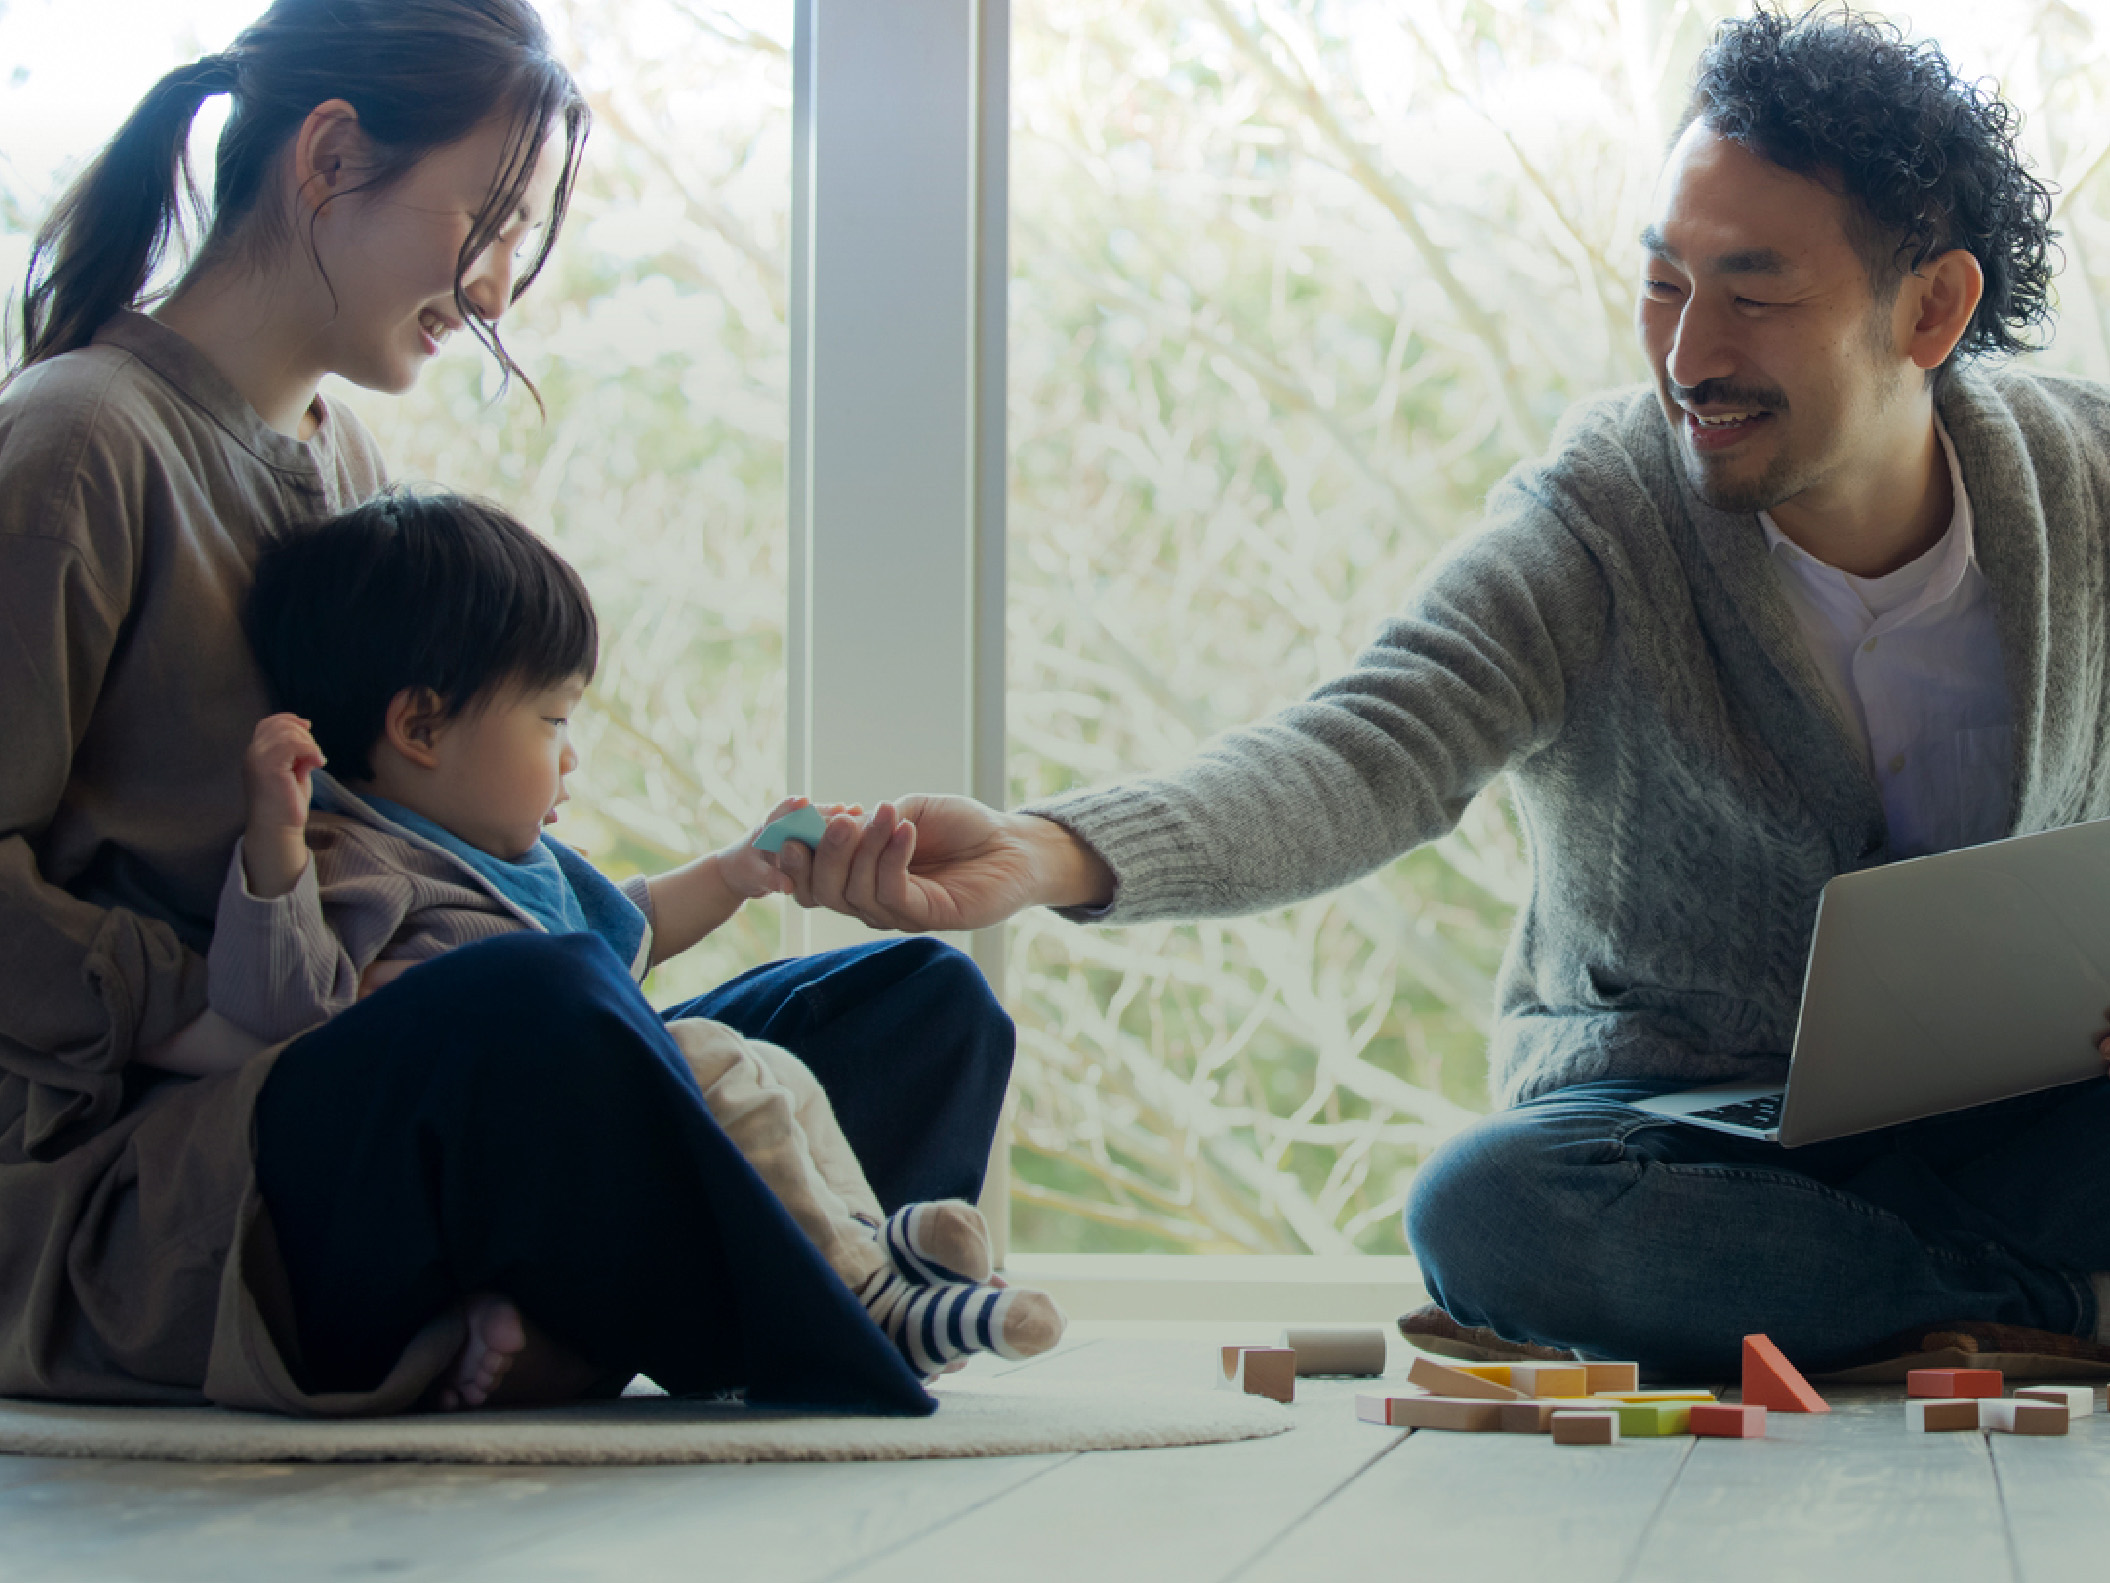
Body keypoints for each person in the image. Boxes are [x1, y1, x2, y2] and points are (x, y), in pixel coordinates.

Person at [776, 6, 2110, 1379]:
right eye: (1663, 285)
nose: (1685, 353)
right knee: (1487, 1210)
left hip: (2021, 1113)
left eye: (1754, 297)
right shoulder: (1600, 522)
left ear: (1930, 308)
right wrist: (1055, 850)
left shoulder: (2080, 486)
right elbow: (1367, 750)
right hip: (1677, 1134)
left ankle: (1916, 1299)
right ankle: (2043, 1303)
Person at [0, 0, 1011, 1417]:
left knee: (917, 1006)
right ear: (332, 157)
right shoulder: (78, 444)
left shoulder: (337, 455)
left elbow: (440, 854)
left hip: (399, 1080)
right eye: (485, 223)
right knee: (531, 1008)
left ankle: (593, 1315)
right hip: (168, 1177)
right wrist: (228, 1006)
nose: (494, 290)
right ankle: (794, 1322)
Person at [203, 489, 1062, 1402]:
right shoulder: (354, 860)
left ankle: (871, 1243)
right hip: (516, 1166)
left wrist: (737, 871)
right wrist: (274, 846)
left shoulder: (523, 862)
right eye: (553, 720)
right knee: (695, 1048)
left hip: (617, 1147)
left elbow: (631, 926)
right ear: (420, 727)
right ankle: (852, 1308)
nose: (569, 756)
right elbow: (277, 1007)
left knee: (916, 1000)